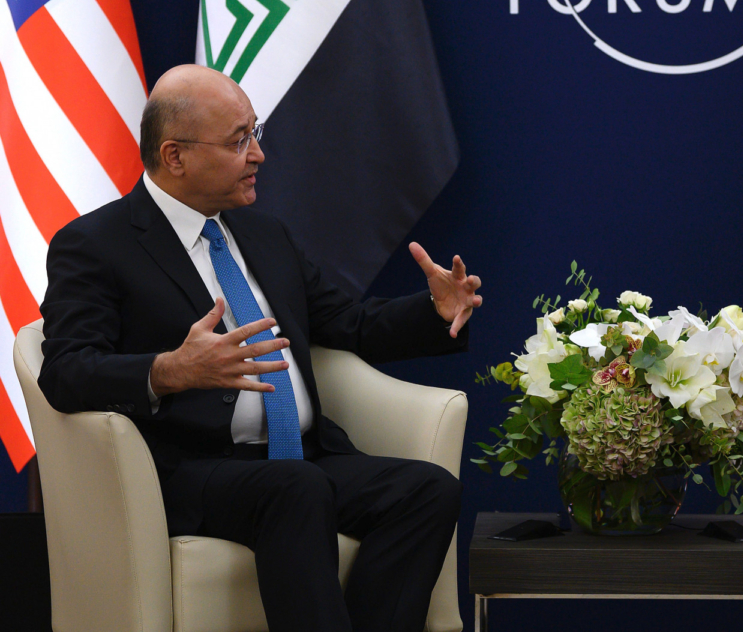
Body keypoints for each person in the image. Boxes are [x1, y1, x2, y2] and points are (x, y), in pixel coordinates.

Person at [38, 64, 483, 632]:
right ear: (175, 156)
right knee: (296, 489)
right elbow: (67, 370)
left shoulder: (264, 236)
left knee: (427, 490)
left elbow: (348, 323)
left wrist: (434, 313)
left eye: (256, 133)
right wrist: (169, 371)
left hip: (302, 458)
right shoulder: (95, 245)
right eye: (238, 141)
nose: (258, 156)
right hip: (188, 470)